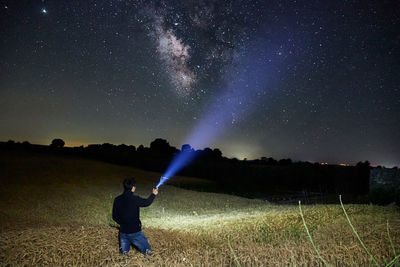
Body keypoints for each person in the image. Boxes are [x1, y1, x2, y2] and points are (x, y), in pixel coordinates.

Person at [112, 178, 158, 255]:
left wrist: (123, 223)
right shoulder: (135, 199)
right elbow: (147, 202)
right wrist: (153, 194)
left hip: (123, 232)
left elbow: (114, 216)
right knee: (148, 252)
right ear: (133, 188)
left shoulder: (117, 199)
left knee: (123, 255)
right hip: (135, 232)